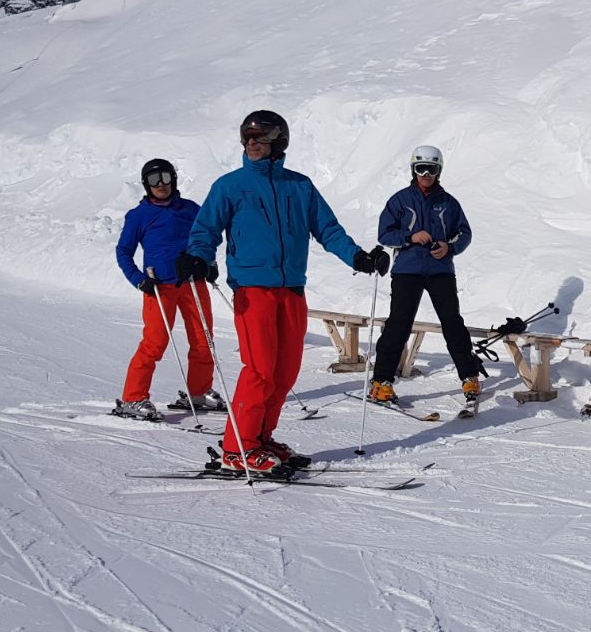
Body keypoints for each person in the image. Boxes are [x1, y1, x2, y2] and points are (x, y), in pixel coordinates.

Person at [177, 110, 389, 474]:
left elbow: (328, 229)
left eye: (259, 138)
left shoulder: (300, 186)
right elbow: (205, 231)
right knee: (259, 370)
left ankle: (260, 438)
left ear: (278, 141)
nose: (251, 144)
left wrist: (358, 256)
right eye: (247, 138)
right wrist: (197, 258)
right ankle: (237, 448)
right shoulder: (230, 186)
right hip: (252, 289)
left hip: (291, 288)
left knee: (285, 372)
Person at [367, 144, 485, 405]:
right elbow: (384, 234)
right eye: (421, 168)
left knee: (452, 323)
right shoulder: (400, 200)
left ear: (439, 171)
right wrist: (410, 237)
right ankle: (381, 382)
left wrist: (449, 247)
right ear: (413, 169)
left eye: (431, 169)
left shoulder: (449, 203)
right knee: (399, 324)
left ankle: (469, 376)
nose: (426, 174)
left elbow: (464, 233)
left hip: (440, 270)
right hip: (407, 269)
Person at [110, 158, 222, 422]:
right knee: (155, 342)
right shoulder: (139, 215)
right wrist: (138, 279)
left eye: (165, 177)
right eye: (153, 180)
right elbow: (123, 251)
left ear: (174, 178)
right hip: (159, 288)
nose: (160, 184)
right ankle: (134, 397)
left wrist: (209, 263)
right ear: (145, 185)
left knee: (203, 339)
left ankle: (198, 392)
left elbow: (206, 239)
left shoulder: (191, 209)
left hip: (193, 284)